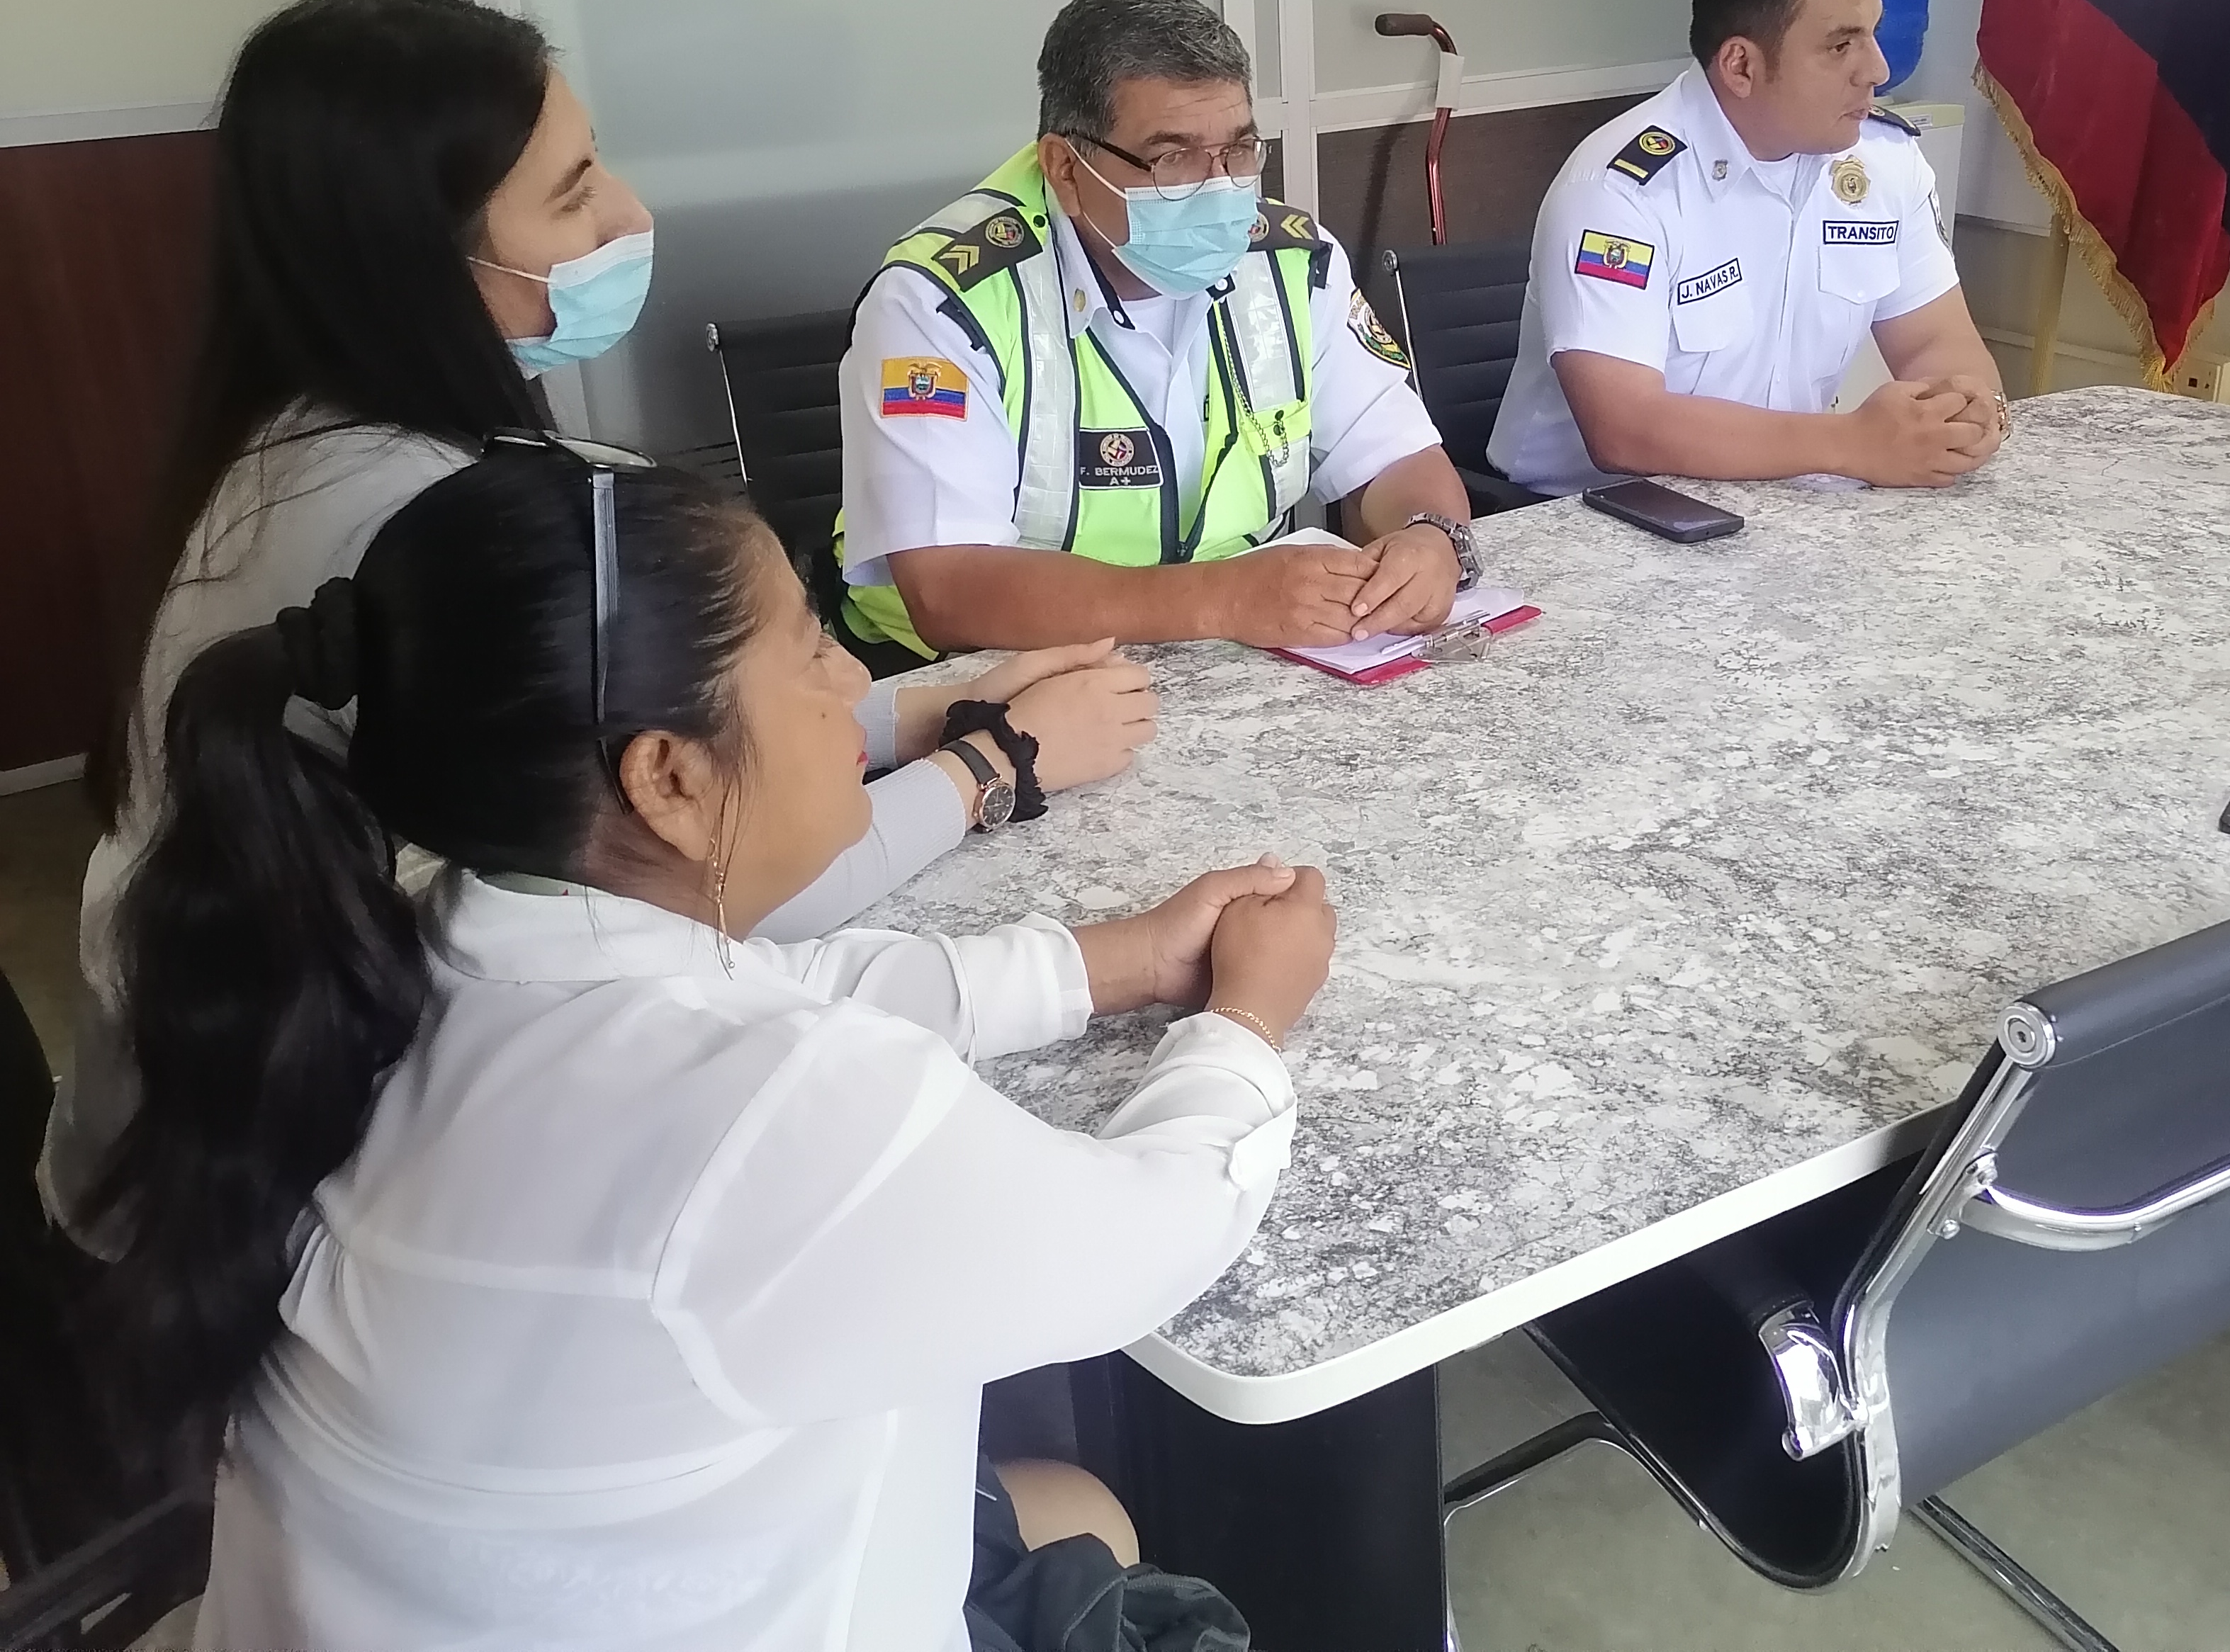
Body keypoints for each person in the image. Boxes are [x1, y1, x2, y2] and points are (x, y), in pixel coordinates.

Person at [84, 445, 1334, 1650]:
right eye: (810, 648)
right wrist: (1248, 1019)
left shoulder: (410, 955)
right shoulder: (769, 1116)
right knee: (1116, 1546)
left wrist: (1118, 962)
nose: (854, 682)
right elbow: (1155, 1233)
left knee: (1068, 1509)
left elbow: (785, 984)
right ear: (668, 780)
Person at [42, 0, 1155, 1235]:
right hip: (271, 1216)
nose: (630, 215)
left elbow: (633, 772)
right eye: (573, 193)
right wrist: (996, 764)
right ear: (420, 251)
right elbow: (710, 887)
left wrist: (915, 715)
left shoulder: (304, 444)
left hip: (190, 1139)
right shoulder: (433, 521)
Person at [836, 0, 1478, 659]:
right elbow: (947, 591)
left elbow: (1398, 455)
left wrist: (1432, 538)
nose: (1220, 186)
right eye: (1174, 158)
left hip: (1234, 656)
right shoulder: (940, 299)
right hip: (979, 675)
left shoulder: (1292, 262)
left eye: (1239, 150)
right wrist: (1226, 599)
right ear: (1066, 168)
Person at [1485, 0, 2007, 497]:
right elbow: (1625, 428)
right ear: (1740, 66)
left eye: (1873, 34)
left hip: (1783, 502)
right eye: (1841, 45)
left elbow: (1935, 342)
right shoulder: (1620, 191)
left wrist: (1966, 409)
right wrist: (1852, 443)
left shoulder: (1884, 162)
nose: (1877, 70)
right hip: (1591, 518)